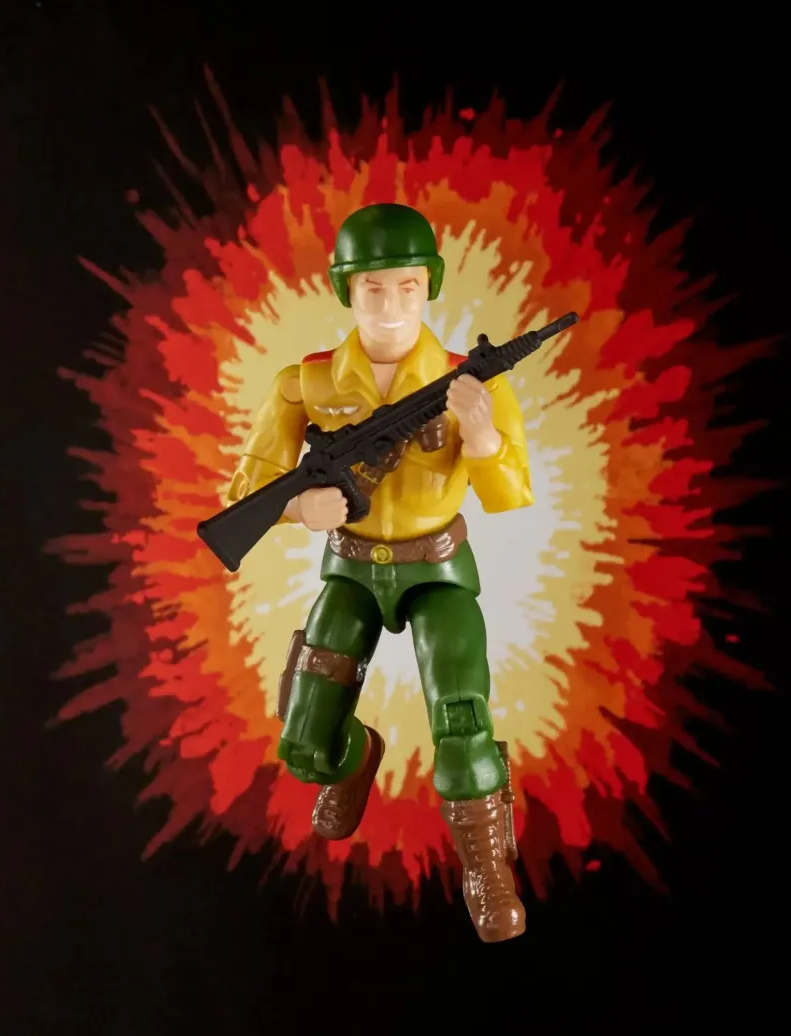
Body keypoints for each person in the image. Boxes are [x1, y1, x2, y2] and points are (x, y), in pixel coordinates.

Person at [226, 202, 534, 941]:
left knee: (461, 718)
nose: (391, 305)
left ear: (429, 287)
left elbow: (510, 495)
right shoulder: (306, 384)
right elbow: (247, 490)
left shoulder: (469, 383)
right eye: (372, 288)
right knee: (305, 743)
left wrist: (482, 435)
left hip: (438, 571)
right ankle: (354, 756)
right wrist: (299, 508)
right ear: (346, 291)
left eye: (407, 287)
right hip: (352, 570)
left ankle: (488, 866)